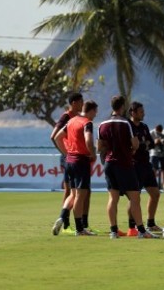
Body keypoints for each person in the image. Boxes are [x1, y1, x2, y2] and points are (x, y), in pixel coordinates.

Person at [98, 95, 157, 239]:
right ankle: (141, 231)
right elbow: (135, 144)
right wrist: (131, 150)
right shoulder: (126, 123)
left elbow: (100, 147)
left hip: (109, 164)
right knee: (135, 198)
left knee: (113, 198)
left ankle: (113, 231)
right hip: (124, 164)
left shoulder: (102, 124)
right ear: (122, 107)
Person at [51, 100, 98, 236]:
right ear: (90, 111)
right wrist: (93, 154)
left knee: (72, 193)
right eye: (95, 112)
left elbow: (58, 137)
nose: (95, 115)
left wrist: (66, 153)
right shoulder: (87, 123)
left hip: (69, 161)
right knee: (80, 195)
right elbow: (88, 140)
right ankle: (79, 228)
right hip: (81, 161)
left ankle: (62, 216)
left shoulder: (71, 121)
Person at [49, 92, 86, 232]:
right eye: (81, 102)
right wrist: (65, 153)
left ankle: (69, 222)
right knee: (70, 191)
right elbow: (53, 136)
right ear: (74, 103)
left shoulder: (76, 117)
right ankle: (66, 224)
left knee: (75, 192)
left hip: (71, 156)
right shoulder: (66, 116)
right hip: (70, 157)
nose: (82, 104)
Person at [128, 102, 162, 235]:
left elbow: (151, 144)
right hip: (134, 166)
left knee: (155, 194)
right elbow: (132, 146)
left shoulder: (144, 127)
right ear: (133, 112)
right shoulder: (128, 126)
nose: (143, 114)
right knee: (134, 197)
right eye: (141, 112)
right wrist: (143, 144)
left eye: (143, 111)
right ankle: (132, 226)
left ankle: (151, 223)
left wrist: (142, 144)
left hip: (146, 165)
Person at [150, 124, 164, 191]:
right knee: (154, 169)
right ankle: (153, 185)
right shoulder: (152, 133)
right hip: (154, 153)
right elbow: (149, 143)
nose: (159, 133)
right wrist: (155, 142)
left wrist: (162, 142)